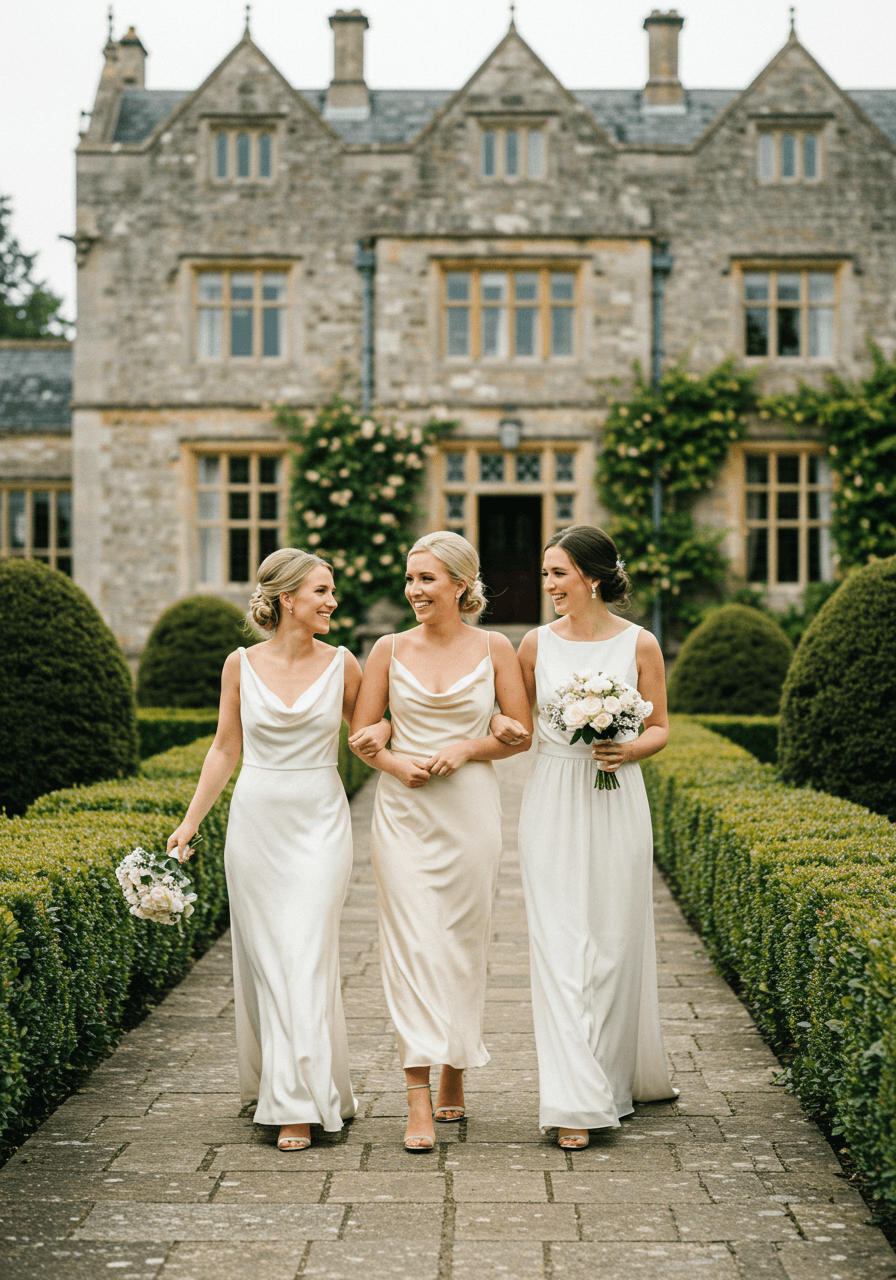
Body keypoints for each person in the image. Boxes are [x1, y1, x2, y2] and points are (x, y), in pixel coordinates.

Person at [167, 547, 365, 1153]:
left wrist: (432, 762)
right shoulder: (239, 664)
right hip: (257, 824)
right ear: (287, 600)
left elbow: (368, 738)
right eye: (322, 591)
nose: (333, 601)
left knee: (304, 952)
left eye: (332, 591)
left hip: (321, 820)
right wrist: (189, 822)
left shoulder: (345, 663)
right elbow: (226, 747)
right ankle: (303, 1085)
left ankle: (298, 1104)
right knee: (270, 961)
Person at [493, 525, 676, 1150]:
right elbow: (515, 723)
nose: (547, 587)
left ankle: (610, 1082)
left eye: (558, 575)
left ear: (592, 578)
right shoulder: (534, 645)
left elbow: (660, 728)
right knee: (561, 945)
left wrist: (626, 746)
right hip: (552, 799)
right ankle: (574, 1100)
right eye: (545, 575)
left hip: (617, 797)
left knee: (614, 943)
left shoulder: (640, 643)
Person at [349, 531, 532, 1151]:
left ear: (460, 584)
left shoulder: (496, 647)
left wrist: (466, 747)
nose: (414, 591)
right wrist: (397, 763)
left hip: (470, 812)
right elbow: (363, 734)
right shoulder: (386, 650)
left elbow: (520, 734)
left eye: (426, 579)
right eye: (410, 579)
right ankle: (417, 1097)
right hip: (403, 813)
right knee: (410, 946)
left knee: (461, 941)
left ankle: (456, 1065)